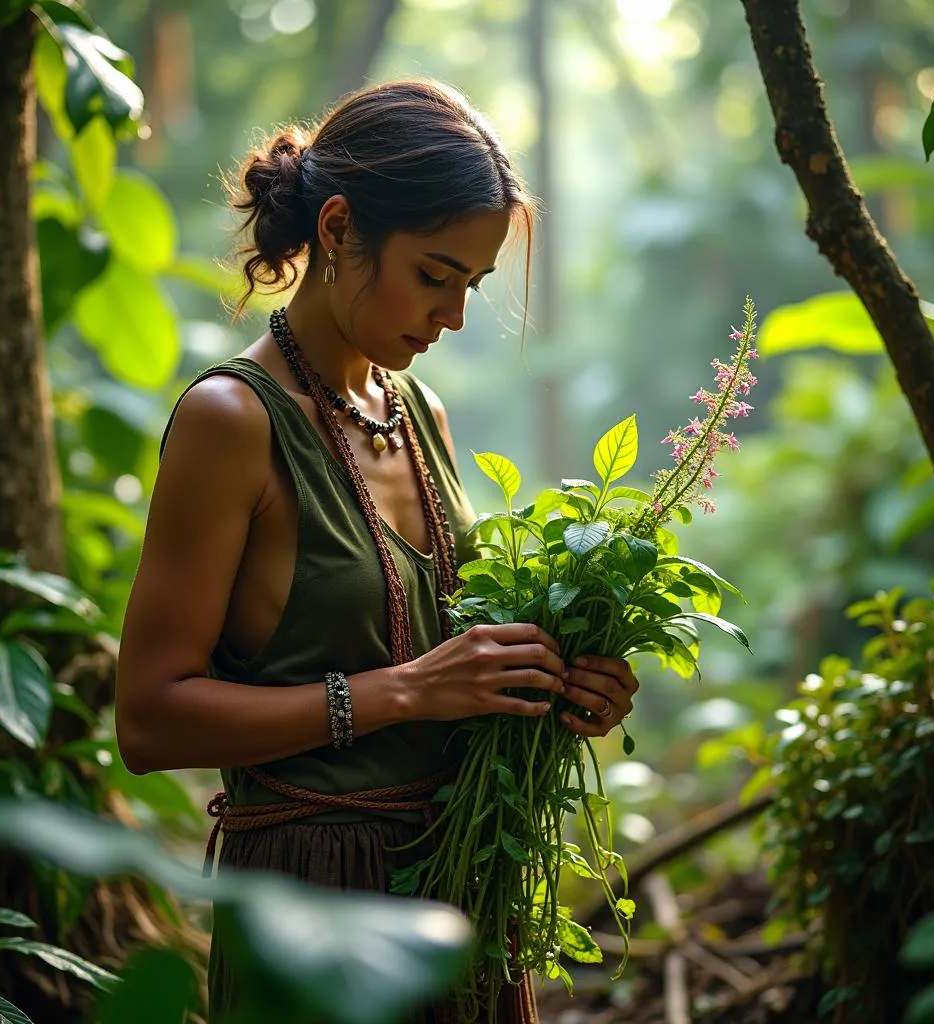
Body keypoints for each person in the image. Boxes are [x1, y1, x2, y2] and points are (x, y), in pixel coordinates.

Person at [114, 79, 638, 1023]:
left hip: (464, 884)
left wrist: (556, 685)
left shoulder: (418, 412)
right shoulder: (232, 421)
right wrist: (402, 693)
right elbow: (150, 720)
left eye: (471, 286)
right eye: (435, 275)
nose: (455, 317)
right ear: (342, 227)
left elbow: (450, 658)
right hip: (311, 907)